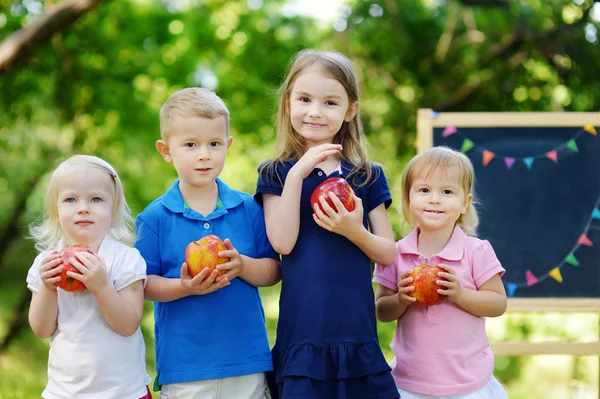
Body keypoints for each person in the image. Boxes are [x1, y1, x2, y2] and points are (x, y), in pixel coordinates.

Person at [255, 50, 399, 399]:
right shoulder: (275, 173)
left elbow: (388, 253)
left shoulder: (366, 175)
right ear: (288, 103)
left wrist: (354, 230)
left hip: (356, 335)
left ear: (350, 110)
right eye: (304, 99)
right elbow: (282, 243)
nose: (315, 111)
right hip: (304, 336)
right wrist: (298, 174)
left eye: (330, 102)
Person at [134, 87, 280, 399]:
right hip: (186, 367)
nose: (204, 154)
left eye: (214, 144)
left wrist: (241, 265)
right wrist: (184, 287)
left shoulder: (249, 208)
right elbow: (142, 285)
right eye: (190, 144)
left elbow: (273, 271)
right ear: (166, 150)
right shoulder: (155, 218)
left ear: (228, 145)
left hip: (246, 362)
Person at [373, 146, 508, 398]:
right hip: (411, 384)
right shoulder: (395, 253)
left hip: (469, 385)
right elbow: (381, 310)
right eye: (424, 190)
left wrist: (460, 294)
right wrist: (401, 299)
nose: (435, 199)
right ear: (408, 198)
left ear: (464, 203)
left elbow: (498, 303)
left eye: (447, 191)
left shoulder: (475, 251)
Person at [26, 155, 151, 399]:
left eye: (96, 199)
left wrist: (102, 286)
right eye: (71, 199)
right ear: (56, 211)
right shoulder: (46, 263)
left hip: (124, 392)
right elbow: (42, 329)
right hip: (64, 392)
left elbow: (128, 325)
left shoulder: (125, 259)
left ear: (112, 208)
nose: (83, 207)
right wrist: (48, 289)